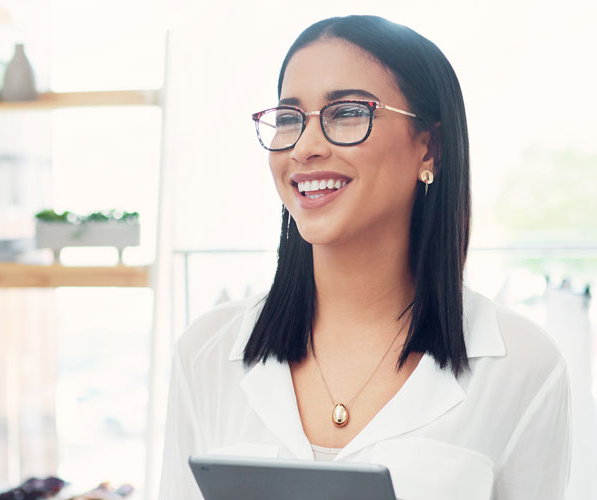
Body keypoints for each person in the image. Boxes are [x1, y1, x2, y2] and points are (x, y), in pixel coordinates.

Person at [159, 15, 571, 499]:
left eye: (348, 112)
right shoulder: (205, 354)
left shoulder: (522, 367)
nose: (305, 147)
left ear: (429, 148)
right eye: (290, 119)